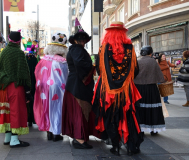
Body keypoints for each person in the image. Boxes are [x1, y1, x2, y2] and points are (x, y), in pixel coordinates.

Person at [92, 21, 143, 156]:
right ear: (123, 33)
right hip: (126, 90)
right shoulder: (130, 48)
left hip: (107, 90)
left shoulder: (103, 48)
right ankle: (131, 146)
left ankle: (115, 146)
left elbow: (98, 69)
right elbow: (135, 70)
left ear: (108, 33)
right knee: (129, 115)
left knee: (110, 115)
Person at [0, 31, 32, 148]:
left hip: (1, 87)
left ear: (9, 39)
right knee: (16, 111)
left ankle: (7, 138)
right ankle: (15, 140)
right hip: (14, 86)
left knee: (6, 112)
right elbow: (24, 74)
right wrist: (28, 92)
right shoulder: (19, 53)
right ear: (18, 41)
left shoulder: (4, 52)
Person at [62, 20, 95, 149]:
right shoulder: (76, 49)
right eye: (80, 39)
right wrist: (92, 67)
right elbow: (80, 63)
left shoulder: (76, 49)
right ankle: (79, 139)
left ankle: (80, 137)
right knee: (79, 111)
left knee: (80, 110)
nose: (82, 41)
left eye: (84, 40)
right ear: (75, 40)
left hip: (77, 83)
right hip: (78, 84)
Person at [34, 33, 68, 141]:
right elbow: (65, 77)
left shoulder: (43, 60)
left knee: (46, 108)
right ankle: (56, 133)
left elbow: (37, 73)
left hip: (43, 87)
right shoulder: (62, 61)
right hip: (57, 88)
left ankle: (48, 132)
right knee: (56, 109)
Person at [134, 45, 166, 136]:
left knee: (140, 109)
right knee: (153, 109)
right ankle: (153, 130)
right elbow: (160, 77)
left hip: (138, 88)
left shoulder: (137, 61)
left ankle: (140, 129)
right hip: (151, 89)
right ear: (150, 53)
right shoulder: (153, 62)